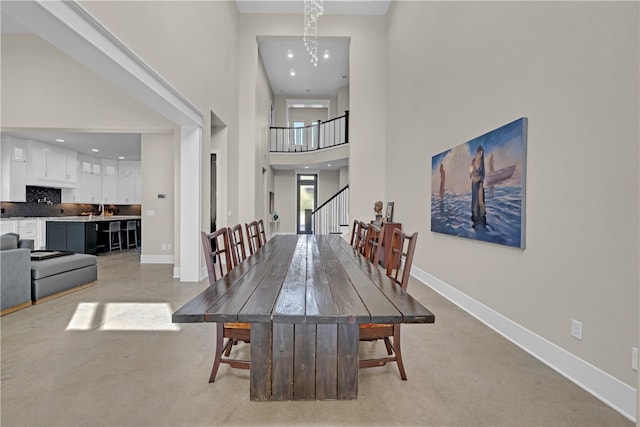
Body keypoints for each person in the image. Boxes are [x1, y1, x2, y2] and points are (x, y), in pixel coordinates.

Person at [469, 145, 486, 228]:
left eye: (482, 154)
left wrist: (482, 182)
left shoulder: (482, 161)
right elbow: (471, 169)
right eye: (480, 153)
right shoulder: (473, 161)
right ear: (477, 152)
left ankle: (482, 215)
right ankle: (475, 215)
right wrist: (470, 175)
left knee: (481, 199)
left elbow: (483, 172)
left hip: (480, 182)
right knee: (475, 199)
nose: (481, 155)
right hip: (474, 182)